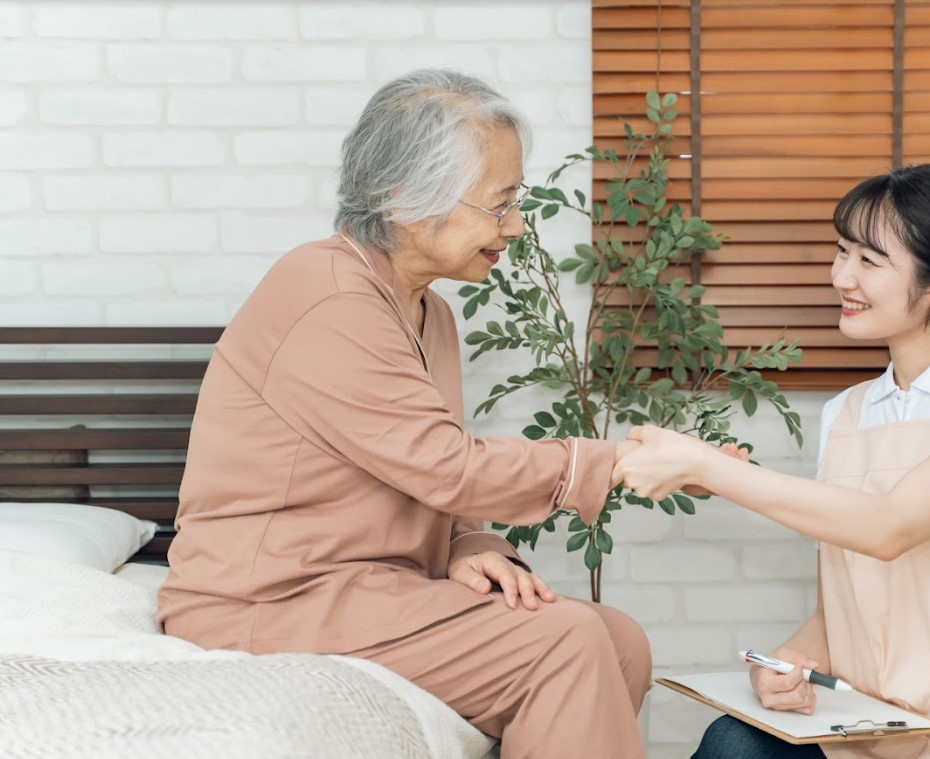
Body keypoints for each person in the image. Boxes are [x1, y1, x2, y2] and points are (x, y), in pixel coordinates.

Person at [157, 68, 651, 759]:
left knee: (619, 638)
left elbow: (419, 459)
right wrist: (616, 461)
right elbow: (446, 465)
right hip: (267, 601)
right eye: (499, 204)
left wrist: (469, 542)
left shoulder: (431, 311)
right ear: (402, 197)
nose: (514, 226)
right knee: (562, 639)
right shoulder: (328, 296)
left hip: (371, 588)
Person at [614, 163, 930, 758]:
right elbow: (855, 599)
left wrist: (715, 470)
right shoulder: (846, 412)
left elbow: (890, 528)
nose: (842, 275)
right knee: (733, 742)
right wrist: (788, 663)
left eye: (870, 261)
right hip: (877, 731)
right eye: (842, 251)